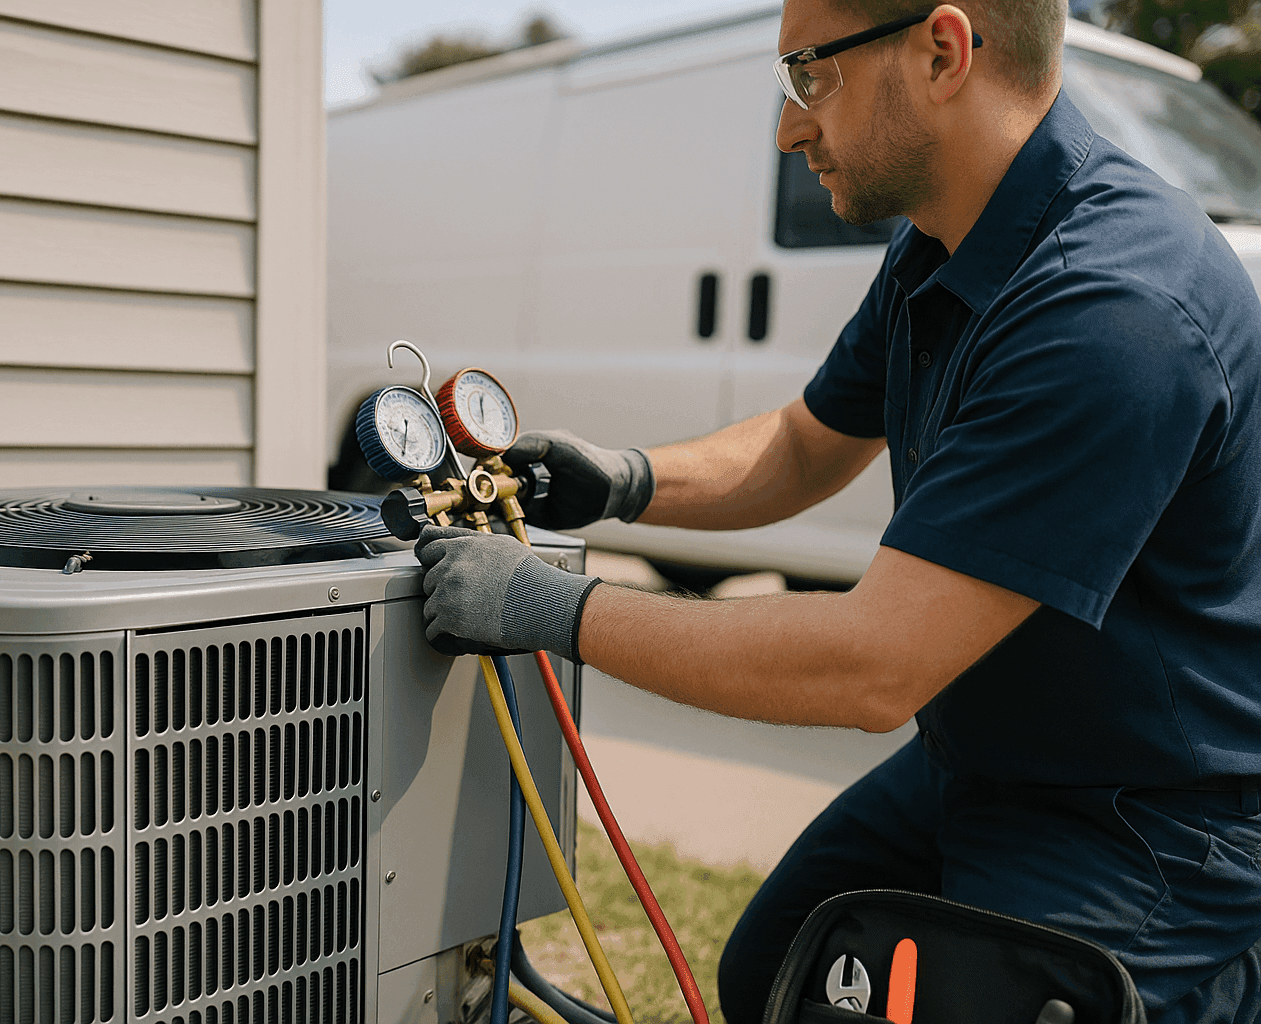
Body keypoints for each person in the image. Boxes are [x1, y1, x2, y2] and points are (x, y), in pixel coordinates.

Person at [411, 0, 1261, 1020]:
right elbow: (808, 442)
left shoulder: (1117, 311)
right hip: (984, 759)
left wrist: (545, 608)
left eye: (810, 74)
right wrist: (625, 479)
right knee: (770, 972)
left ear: (942, 51)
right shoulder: (947, 238)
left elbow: (870, 664)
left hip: (1142, 820)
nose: (789, 125)